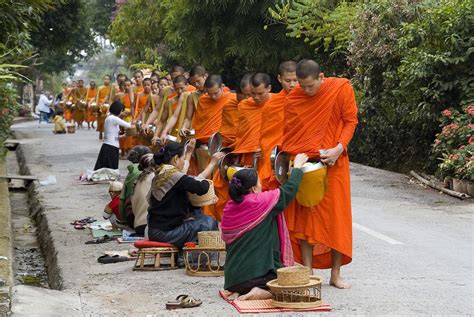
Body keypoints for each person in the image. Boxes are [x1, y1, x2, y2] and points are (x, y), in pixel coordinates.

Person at [281, 59, 358, 289]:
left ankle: (336, 274)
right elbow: (290, 134)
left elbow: (350, 120)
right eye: (302, 86)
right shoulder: (295, 97)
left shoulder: (340, 88)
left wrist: (339, 148)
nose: (305, 90)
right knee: (306, 219)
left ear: (321, 77)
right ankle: (307, 270)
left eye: (310, 86)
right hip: (306, 165)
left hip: (334, 163)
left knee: (336, 219)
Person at [221, 153, 308, 301]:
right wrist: (298, 167)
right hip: (258, 277)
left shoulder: (229, 208)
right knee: (290, 285)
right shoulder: (261, 202)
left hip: (233, 280)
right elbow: (289, 190)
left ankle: (239, 291)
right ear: (254, 189)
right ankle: (261, 291)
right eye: (260, 183)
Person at [147, 141, 224, 248]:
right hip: (165, 234)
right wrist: (208, 180)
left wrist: (189, 153)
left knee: (196, 214)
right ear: (176, 159)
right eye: (183, 158)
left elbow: (187, 181)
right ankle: (187, 257)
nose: (184, 162)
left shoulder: (160, 173)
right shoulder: (174, 176)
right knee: (208, 222)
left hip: (154, 230)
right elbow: (201, 187)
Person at [258, 61, 298, 190]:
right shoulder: (272, 105)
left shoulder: (305, 101)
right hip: (276, 157)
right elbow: (266, 136)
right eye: (288, 80)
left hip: (298, 156)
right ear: (279, 78)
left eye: (295, 80)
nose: (292, 84)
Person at [181, 75, 235, 143]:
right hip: (202, 139)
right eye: (209, 94)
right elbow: (199, 123)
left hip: (222, 140)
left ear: (222, 87)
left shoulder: (232, 98)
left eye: (216, 93)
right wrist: (185, 127)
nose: (213, 97)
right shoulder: (203, 100)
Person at [119, 145, 152, 229]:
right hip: (152, 223)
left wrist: (123, 220)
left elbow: (122, 199)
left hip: (135, 222)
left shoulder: (132, 173)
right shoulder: (155, 173)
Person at [94, 101, 133, 170]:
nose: (122, 113)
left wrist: (124, 135)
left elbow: (113, 135)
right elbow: (129, 126)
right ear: (119, 110)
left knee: (106, 170)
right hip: (111, 147)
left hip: (109, 146)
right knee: (111, 170)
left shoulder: (110, 118)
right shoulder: (114, 118)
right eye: (122, 111)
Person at [96, 75, 115, 140]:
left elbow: (112, 97)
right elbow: (97, 97)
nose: (106, 80)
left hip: (109, 105)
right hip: (101, 105)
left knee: (107, 121)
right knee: (101, 120)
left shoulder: (112, 88)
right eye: (105, 79)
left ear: (110, 80)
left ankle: (106, 134)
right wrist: (99, 105)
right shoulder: (99, 88)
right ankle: (101, 132)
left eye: (108, 79)